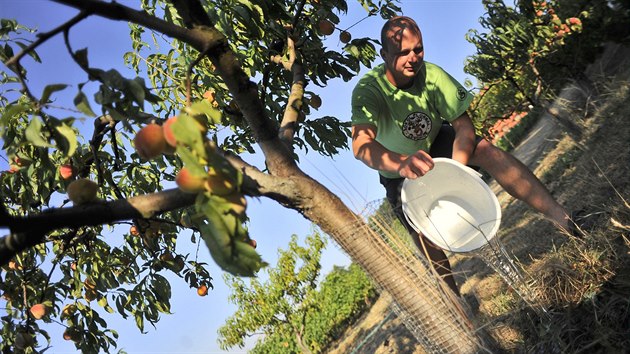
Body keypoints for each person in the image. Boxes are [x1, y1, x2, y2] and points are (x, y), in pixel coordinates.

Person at [350, 16, 576, 295]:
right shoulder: (368, 91)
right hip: (397, 168)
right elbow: (361, 145)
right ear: (384, 54)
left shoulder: (432, 75)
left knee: (487, 150)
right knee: (422, 234)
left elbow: (464, 126)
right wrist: (401, 163)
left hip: (436, 143)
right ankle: (457, 307)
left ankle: (564, 219)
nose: (412, 58)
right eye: (402, 53)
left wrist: (456, 169)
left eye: (417, 49)